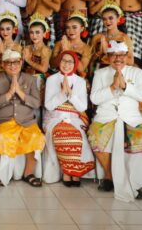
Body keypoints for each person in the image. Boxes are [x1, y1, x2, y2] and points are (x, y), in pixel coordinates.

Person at [88, 41, 142, 202]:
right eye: (113, 55)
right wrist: (112, 87)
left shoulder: (136, 73)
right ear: (108, 57)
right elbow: (94, 98)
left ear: (127, 56)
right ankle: (110, 176)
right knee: (95, 135)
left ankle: (134, 182)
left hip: (131, 117)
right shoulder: (100, 73)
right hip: (106, 116)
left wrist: (125, 87)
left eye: (121, 55)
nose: (118, 59)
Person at [0, 49, 45, 187]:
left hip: (26, 120)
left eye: (16, 62)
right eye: (8, 63)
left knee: (36, 137)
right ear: (2, 64)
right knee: (3, 137)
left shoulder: (30, 79)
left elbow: (36, 103)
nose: (13, 66)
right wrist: (9, 93)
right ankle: (4, 175)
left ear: (21, 62)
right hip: (4, 120)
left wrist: (20, 92)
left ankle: (28, 173)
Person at [43, 51, 95, 186]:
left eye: (70, 62)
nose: (66, 64)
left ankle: (75, 172)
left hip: (75, 118)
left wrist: (70, 94)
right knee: (62, 133)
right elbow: (49, 106)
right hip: (54, 117)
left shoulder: (80, 81)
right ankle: (67, 172)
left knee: (76, 135)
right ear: (59, 62)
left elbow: (82, 107)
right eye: (64, 61)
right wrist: (62, 94)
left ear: (75, 64)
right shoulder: (51, 79)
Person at [89, 2, 135, 70]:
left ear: (118, 18)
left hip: (117, 70)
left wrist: (110, 52)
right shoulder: (97, 37)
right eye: (104, 19)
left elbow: (131, 61)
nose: (107, 21)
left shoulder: (124, 38)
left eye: (110, 18)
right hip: (99, 70)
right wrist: (99, 53)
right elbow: (90, 60)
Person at [50, 11, 92, 77]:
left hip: (77, 79)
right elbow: (52, 65)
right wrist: (62, 53)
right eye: (68, 27)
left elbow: (81, 69)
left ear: (82, 28)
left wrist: (68, 50)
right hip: (59, 76)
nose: (70, 30)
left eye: (74, 27)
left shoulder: (86, 48)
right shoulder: (59, 43)